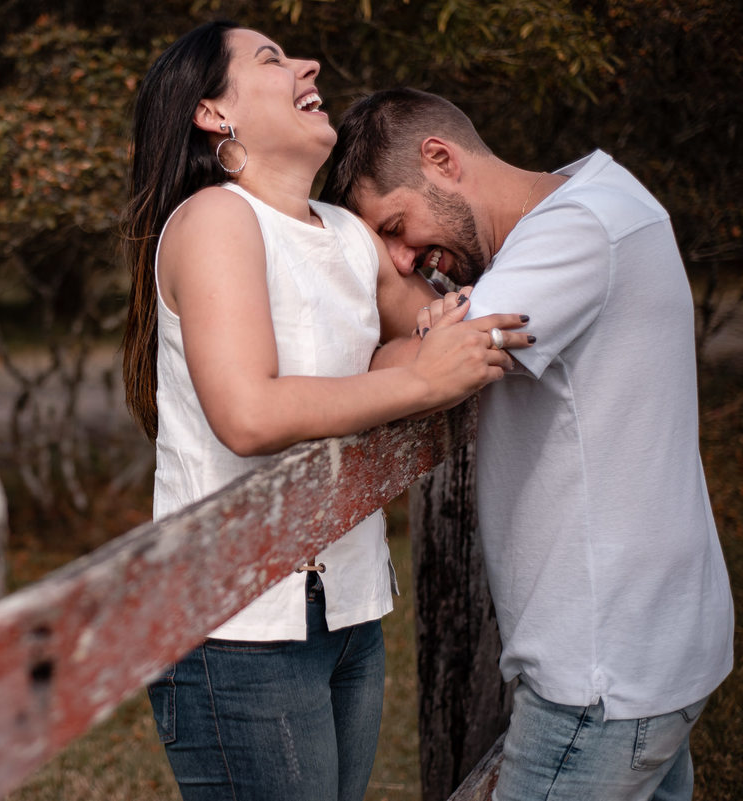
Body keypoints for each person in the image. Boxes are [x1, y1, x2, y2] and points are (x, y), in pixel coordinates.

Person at [121, 25, 532, 801]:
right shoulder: (215, 219)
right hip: (234, 625)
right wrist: (423, 380)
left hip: (348, 612)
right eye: (271, 59)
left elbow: (427, 342)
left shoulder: (347, 234)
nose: (308, 65)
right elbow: (247, 412)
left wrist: (437, 341)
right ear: (212, 112)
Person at [320, 87, 734, 801]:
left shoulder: (573, 234)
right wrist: (433, 322)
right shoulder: (602, 197)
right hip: (650, 649)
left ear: (441, 159)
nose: (404, 259)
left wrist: (413, 327)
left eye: (394, 226)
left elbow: (413, 371)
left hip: (599, 673)